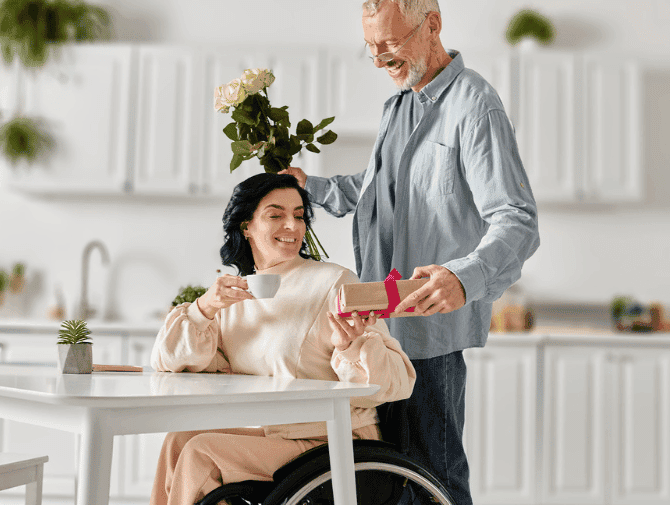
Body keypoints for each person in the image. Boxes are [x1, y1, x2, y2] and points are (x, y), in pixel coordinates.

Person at [280, 1, 541, 504]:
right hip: (379, 332)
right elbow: (372, 189)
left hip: (429, 336)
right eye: (370, 48)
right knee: (391, 479)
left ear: (433, 25)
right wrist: (309, 186)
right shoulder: (398, 106)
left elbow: (517, 219)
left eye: (390, 44)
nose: (379, 59)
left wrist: (464, 277)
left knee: (435, 480)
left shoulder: (474, 105)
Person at [149, 172, 417, 505]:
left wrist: (352, 346)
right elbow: (169, 364)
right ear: (246, 226)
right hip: (274, 435)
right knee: (180, 440)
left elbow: (394, 384)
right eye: (276, 215)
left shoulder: (335, 283)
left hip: (332, 440)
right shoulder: (233, 296)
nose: (291, 225)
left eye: (299, 216)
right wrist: (203, 309)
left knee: (201, 453)